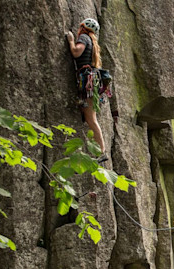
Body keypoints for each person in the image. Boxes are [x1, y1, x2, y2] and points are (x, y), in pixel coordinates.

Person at [66, 18, 106, 162]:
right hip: (92, 83)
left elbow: (77, 52)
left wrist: (71, 40)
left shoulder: (83, 37)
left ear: (83, 27)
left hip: (89, 82)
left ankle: (101, 152)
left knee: (91, 119)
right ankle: (100, 151)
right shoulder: (92, 41)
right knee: (90, 117)